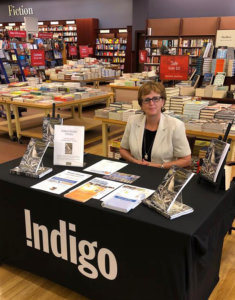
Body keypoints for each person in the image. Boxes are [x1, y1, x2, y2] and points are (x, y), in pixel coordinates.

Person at [120, 81, 191, 168]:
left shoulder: (176, 126)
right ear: (141, 104)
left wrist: (159, 166)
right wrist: (134, 161)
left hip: (163, 174)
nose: (151, 103)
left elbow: (186, 160)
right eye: (146, 100)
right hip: (137, 170)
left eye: (155, 99)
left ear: (163, 102)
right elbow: (123, 149)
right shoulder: (132, 121)